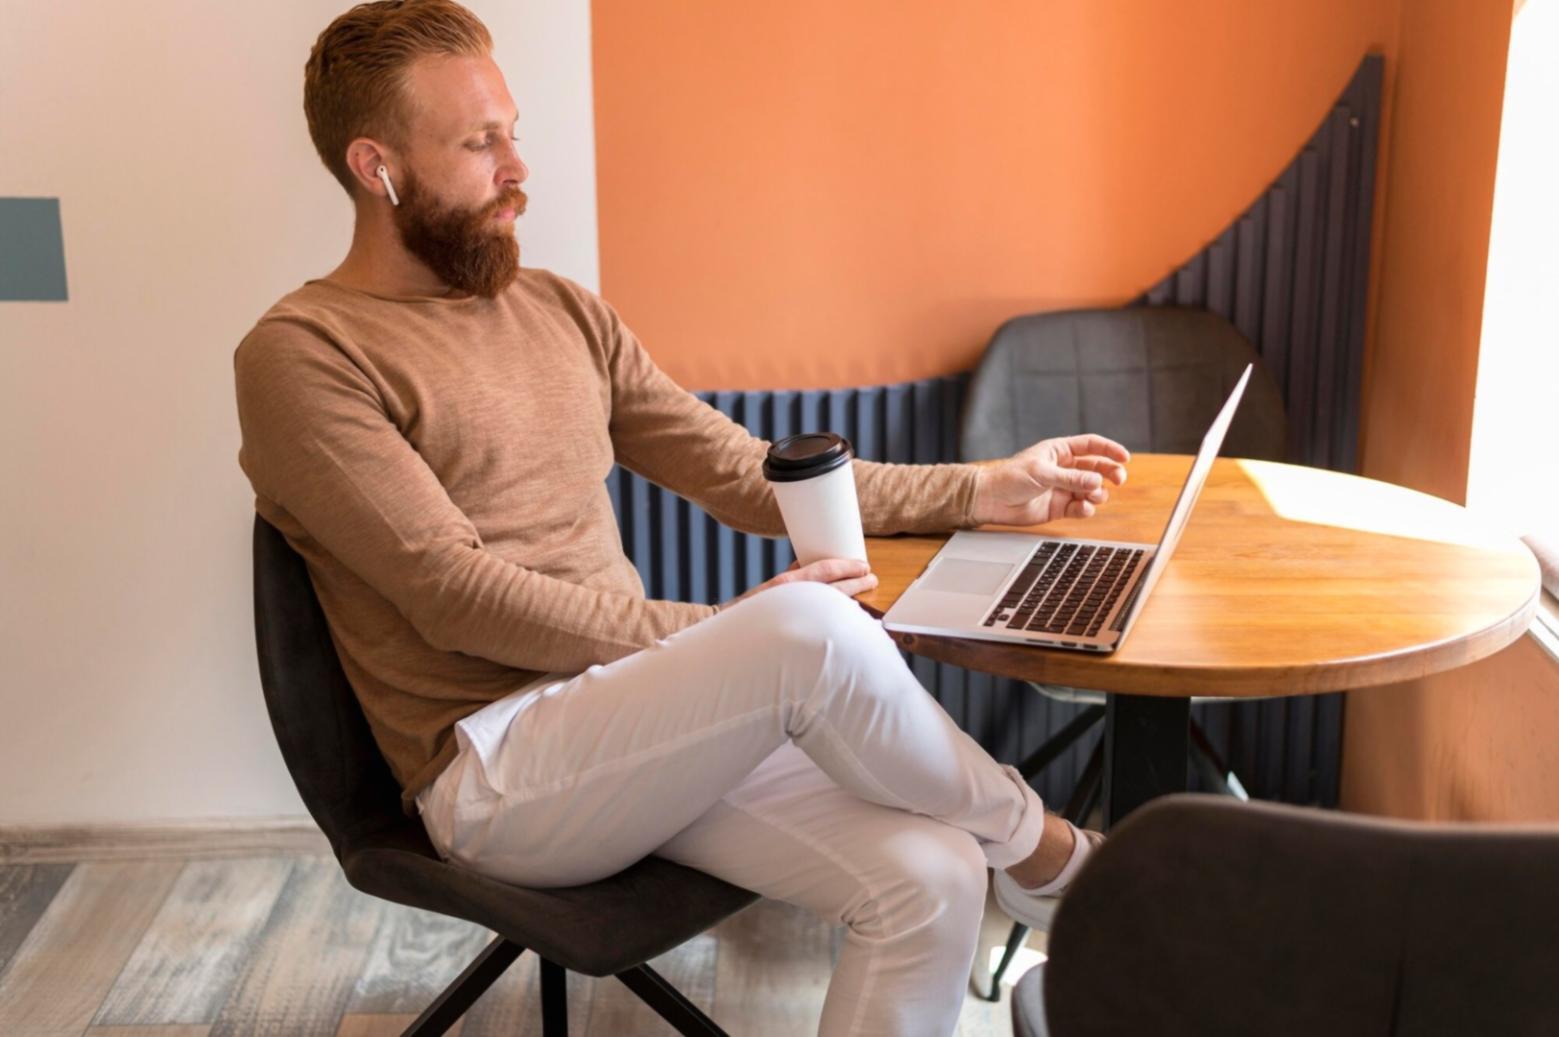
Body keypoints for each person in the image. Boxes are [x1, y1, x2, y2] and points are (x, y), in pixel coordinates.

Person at [233, 2, 1129, 1033]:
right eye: (479, 144)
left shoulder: (559, 309)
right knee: (805, 628)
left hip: (643, 728)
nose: (517, 168)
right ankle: (1047, 853)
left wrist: (978, 488)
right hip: (498, 770)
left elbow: (744, 472)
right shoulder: (305, 354)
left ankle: (1012, 862)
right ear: (374, 166)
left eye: (512, 132)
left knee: (928, 874)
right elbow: (451, 595)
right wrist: (729, 633)